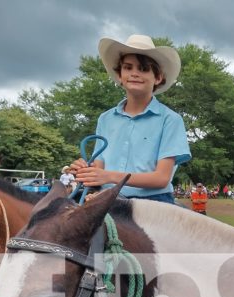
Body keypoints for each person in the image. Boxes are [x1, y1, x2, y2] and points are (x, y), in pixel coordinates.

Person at [70, 34, 191, 203]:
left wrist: (108, 176)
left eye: (143, 69)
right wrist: (87, 171)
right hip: (106, 197)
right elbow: (100, 166)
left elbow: (162, 178)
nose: (134, 73)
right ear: (120, 75)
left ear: (158, 77)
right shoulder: (105, 119)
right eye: (128, 67)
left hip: (153, 201)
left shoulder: (170, 119)